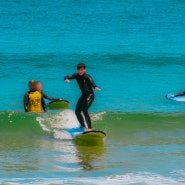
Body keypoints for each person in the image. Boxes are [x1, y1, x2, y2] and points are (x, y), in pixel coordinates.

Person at [64, 63, 100, 131]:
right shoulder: (76, 75)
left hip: (90, 95)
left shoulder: (87, 76)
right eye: (79, 70)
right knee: (77, 112)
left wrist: (95, 87)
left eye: (82, 69)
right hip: (83, 95)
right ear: (77, 70)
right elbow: (66, 76)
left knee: (84, 110)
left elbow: (92, 82)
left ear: (85, 70)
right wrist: (66, 79)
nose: (80, 71)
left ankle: (89, 128)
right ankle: (83, 126)